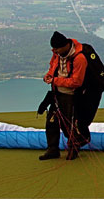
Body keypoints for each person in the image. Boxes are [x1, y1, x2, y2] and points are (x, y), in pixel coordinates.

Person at [38, 31, 88, 161]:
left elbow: (76, 82)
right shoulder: (57, 54)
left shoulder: (79, 58)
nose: (54, 51)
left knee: (71, 124)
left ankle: (74, 148)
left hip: (72, 97)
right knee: (52, 122)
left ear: (65, 45)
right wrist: (49, 76)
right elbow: (53, 68)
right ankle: (52, 149)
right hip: (57, 94)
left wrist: (54, 80)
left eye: (56, 48)